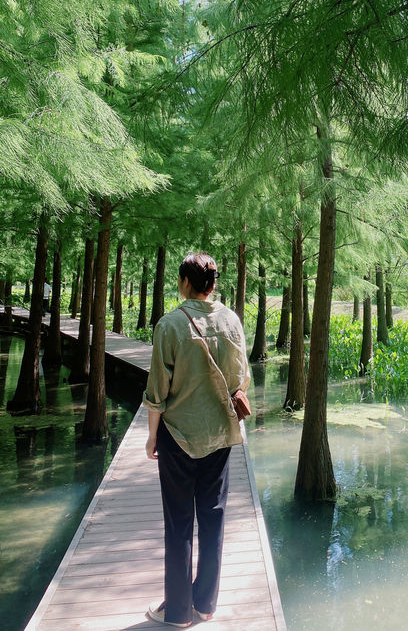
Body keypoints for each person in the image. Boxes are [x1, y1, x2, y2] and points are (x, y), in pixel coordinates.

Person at [143, 252, 250, 627]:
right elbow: (241, 380)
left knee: (178, 523)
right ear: (213, 284)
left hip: (178, 436)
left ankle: (177, 611)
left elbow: (157, 391)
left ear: (186, 282)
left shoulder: (170, 325)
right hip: (220, 436)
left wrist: (152, 436)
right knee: (213, 518)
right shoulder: (232, 321)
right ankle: (204, 605)